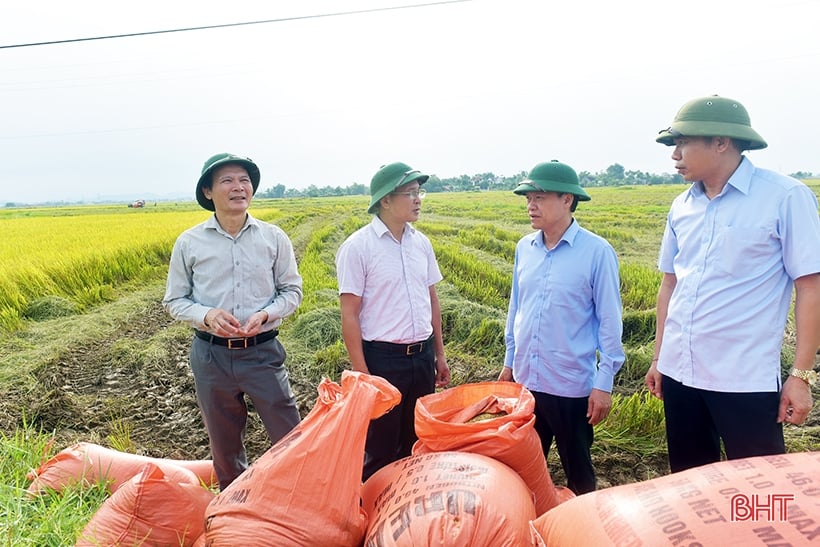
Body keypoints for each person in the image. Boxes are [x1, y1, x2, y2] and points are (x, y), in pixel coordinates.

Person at [645, 95, 820, 473]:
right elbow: (670, 285)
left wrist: (801, 376)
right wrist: (660, 358)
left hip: (742, 379)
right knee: (690, 483)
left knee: (762, 486)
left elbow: (810, 287)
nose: (674, 154)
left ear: (721, 142)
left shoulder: (784, 197)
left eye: (683, 143)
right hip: (680, 373)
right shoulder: (682, 206)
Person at [163, 152, 303, 490]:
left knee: (290, 433)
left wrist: (267, 314)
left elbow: (292, 291)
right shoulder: (190, 242)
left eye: (244, 180)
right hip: (211, 357)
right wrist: (207, 315)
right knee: (224, 444)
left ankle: (296, 495)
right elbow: (174, 301)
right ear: (209, 192)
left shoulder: (273, 238)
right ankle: (235, 507)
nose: (238, 187)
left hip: (262, 352)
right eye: (227, 180)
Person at [498, 160, 625, 495]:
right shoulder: (525, 248)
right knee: (524, 468)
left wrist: (604, 383)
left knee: (578, 470)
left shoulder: (597, 252)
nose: (531, 205)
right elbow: (517, 308)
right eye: (528, 198)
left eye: (539, 197)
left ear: (567, 200)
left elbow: (610, 322)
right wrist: (510, 362)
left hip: (570, 385)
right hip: (527, 380)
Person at [335, 161, 451, 481]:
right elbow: (350, 314)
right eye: (410, 193)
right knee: (381, 447)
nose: (418, 200)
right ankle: (373, 513)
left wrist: (439, 355)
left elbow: (432, 301)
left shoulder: (421, 243)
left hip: (421, 357)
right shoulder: (358, 248)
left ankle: (408, 510)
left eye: (419, 193)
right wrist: (363, 375)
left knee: (417, 440)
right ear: (385, 200)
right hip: (383, 360)